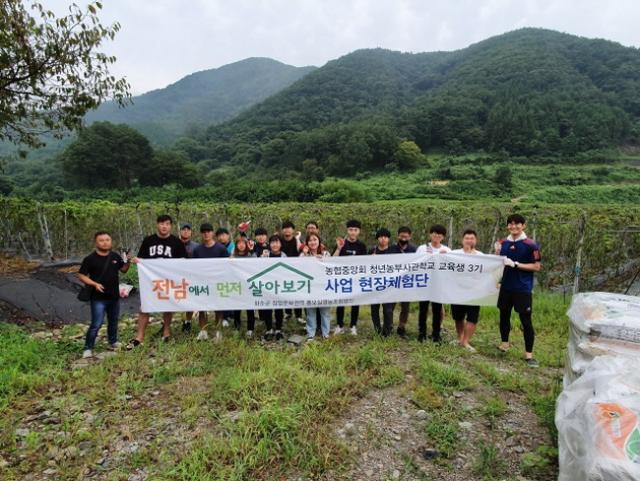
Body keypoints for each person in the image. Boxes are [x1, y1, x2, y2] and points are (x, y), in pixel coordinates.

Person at [128, 215, 187, 349]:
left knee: (168, 306)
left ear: (171, 226)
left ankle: (166, 332)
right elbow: (142, 259)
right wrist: (137, 261)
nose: (164, 226)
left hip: (169, 280)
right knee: (145, 306)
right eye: (161, 223)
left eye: (167, 224)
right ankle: (139, 336)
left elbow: (184, 261)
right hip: (150, 280)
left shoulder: (177, 242)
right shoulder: (148, 241)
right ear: (157, 225)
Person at [495, 214, 542, 367]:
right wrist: (497, 254)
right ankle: (504, 344)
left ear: (523, 225)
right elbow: (498, 263)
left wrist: (516, 264)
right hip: (506, 287)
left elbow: (536, 266)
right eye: (510, 224)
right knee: (504, 316)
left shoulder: (531, 245)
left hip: (522, 288)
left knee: (526, 321)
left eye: (517, 224)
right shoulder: (502, 243)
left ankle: (529, 355)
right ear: (507, 226)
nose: (513, 226)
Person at [78, 231, 131, 358]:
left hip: (114, 297)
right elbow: (81, 275)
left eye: (107, 240)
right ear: (96, 243)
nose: (105, 242)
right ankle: (88, 348)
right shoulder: (90, 259)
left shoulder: (115, 256)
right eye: (101, 240)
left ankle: (113, 341)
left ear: (111, 241)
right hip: (98, 298)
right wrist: (94, 284)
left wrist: (128, 260)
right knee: (96, 324)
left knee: (113, 321)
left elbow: (123, 270)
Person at [191, 223, 230, 341]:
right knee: (202, 308)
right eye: (204, 232)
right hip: (202, 283)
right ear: (201, 234)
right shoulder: (197, 250)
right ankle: (203, 331)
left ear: (212, 233)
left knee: (218, 308)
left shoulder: (221, 249)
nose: (206, 234)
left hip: (218, 283)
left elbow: (227, 266)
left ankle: (218, 332)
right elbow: (193, 267)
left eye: (208, 231)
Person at [416, 224, 451, 343]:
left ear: (443, 237)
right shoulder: (422, 248)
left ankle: (436, 334)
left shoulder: (447, 250)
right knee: (423, 309)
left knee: (437, 310)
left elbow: (451, 267)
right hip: (424, 283)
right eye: (435, 233)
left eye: (440, 234)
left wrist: (445, 257)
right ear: (430, 234)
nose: (437, 236)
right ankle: (422, 333)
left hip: (439, 284)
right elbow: (415, 263)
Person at [450, 229, 483, 352]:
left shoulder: (481, 256)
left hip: (474, 292)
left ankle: (466, 341)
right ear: (462, 240)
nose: (469, 240)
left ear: (476, 240)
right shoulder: (454, 253)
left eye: (472, 238)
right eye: (467, 238)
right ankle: (460, 338)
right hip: (457, 291)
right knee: (458, 317)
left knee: (472, 318)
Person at [333, 219, 367, 335]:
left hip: (356, 279)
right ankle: (339, 325)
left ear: (359, 231)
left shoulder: (361, 246)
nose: (353, 232)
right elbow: (333, 260)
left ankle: (353, 325)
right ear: (347, 230)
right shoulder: (342, 243)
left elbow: (365, 262)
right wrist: (338, 248)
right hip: (342, 279)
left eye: (355, 230)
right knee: (340, 302)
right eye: (351, 230)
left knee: (355, 302)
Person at [369, 228, 401, 336]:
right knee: (374, 309)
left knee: (388, 310)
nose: (383, 239)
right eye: (381, 237)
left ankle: (387, 332)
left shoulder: (394, 250)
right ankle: (377, 330)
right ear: (377, 238)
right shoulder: (372, 251)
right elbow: (365, 267)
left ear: (389, 239)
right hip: (374, 284)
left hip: (389, 285)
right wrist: (370, 260)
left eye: (386, 237)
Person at [301, 233, 331, 340]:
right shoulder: (303, 255)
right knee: (310, 312)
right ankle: (311, 335)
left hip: (324, 287)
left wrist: (321, 260)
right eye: (310, 240)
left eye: (315, 239)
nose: (313, 242)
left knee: (325, 312)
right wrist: (307, 256)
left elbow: (330, 267)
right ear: (307, 243)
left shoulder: (326, 253)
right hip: (309, 287)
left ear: (319, 241)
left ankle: (325, 334)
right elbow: (299, 267)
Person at [231, 236, 257, 338]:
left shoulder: (250, 255)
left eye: (243, 243)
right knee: (237, 309)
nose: (241, 245)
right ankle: (237, 328)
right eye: (239, 243)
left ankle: (250, 329)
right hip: (237, 286)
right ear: (236, 245)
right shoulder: (233, 256)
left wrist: (252, 250)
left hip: (249, 286)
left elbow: (256, 263)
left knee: (250, 309)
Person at [280, 221, 304, 324]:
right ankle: (288, 313)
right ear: (282, 230)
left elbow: (301, 250)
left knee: (297, 292)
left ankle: (298, 315)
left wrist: (298, 239)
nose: (287, 230)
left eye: (289, 228)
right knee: (286, 290)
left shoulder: (297, 240)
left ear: (293, 230)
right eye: (285, 228)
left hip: (296, 271)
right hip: (283, 271)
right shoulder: (280, 241)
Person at [263, 235, 287, 341]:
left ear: (280, 244)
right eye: (272, 242)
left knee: (279, 308)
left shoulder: (284, 256)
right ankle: (269, 329)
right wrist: (262, 257)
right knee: (267, 308)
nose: (275, 244)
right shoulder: (265, 255)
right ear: (270, 244)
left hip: (279, 286)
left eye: (277, 242)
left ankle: (278, 329)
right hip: (267, 286)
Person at [396, 226, 417, 337]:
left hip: (407, 283)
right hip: (393, 283)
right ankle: (388, 326)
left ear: (410, 237)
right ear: (397, 236)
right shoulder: (392, 249)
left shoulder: (414, 250)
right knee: (390, 307)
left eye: (406, 236)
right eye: (401, 236)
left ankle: (401, 327)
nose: (403, 238)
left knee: (405, 307)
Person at [215, 226, 235, 326]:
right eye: (219, 235)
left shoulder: (233, 246)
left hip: (233, 276)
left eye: (223, 235)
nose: (221, 237)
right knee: (223, 295)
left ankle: (232, 315)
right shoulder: (216, 247)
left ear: (228, 235)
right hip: (220, 276)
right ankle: (224, 317)